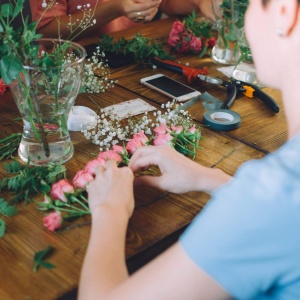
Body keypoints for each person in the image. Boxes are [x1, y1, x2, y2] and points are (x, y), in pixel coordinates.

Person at [79, 0, 300, 298]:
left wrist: (109, 210)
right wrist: (211, 179)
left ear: (284, 12)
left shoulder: (271, 197)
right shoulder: (275, 197)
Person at [30, 0, 214, 40]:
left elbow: (166, 3)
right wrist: (114, 9)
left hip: (131, 54)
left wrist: (200, 2)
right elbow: (45, 31)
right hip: (71, 67)